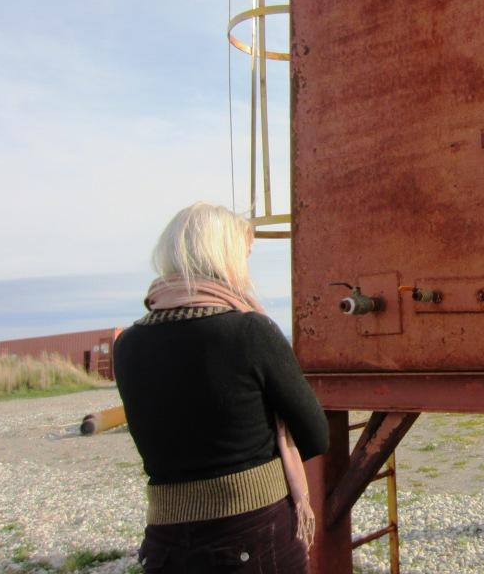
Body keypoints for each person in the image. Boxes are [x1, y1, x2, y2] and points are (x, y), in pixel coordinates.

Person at [115, 202, 328, 573]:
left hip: (165, 538)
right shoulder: (249, 332)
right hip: (252, 530)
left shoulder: (128, 344)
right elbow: (315, 435)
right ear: (224, 258)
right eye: (243, 256)